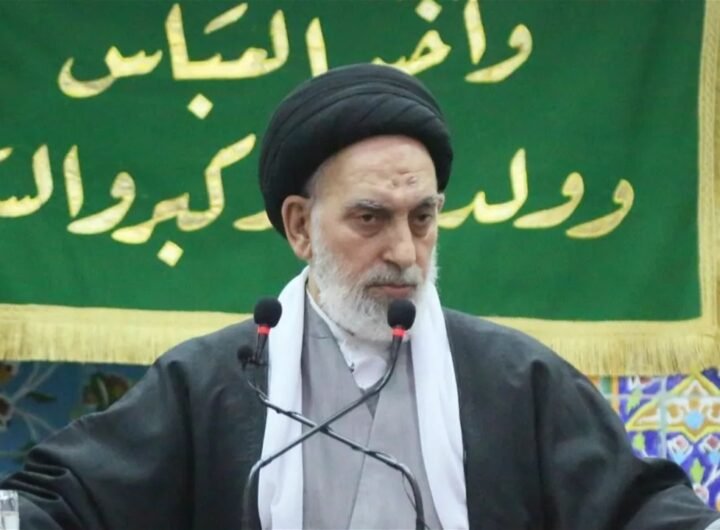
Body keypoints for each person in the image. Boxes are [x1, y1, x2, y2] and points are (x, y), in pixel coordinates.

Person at [2, 64, 719, 530]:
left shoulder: (513, 378)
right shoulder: (217, 382)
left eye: (423, 218)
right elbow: (64, 502)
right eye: (371, 219)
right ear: (299, 227)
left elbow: (640, 509)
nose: (404, 252)